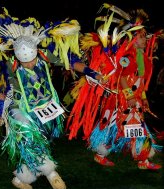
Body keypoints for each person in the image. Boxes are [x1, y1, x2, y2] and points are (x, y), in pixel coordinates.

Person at [0, 8, 102, 189]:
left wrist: (89, 71)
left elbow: (69, 61)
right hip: (19, 111)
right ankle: (51, 173)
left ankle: (22, 177)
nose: (30, 64)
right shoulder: (8, 67)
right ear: (16, 56)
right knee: (31, 140)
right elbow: (1, 90)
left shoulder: (45, 55)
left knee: (37, 144)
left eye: (32, 59)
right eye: (25, 61)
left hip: (44, 108)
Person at [66, 3, 163, 170]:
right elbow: (122, 77)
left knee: (131, 128)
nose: (145, 40)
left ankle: (142, 159)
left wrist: (143, 98)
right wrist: (129, 96)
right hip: (121, 101)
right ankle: (106, 154)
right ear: (132, 38)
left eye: (145, 36)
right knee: (114, 127)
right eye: (141, 36)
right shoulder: (127, 57)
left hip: (134, 101)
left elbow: (140, 83)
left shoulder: (143, 58)